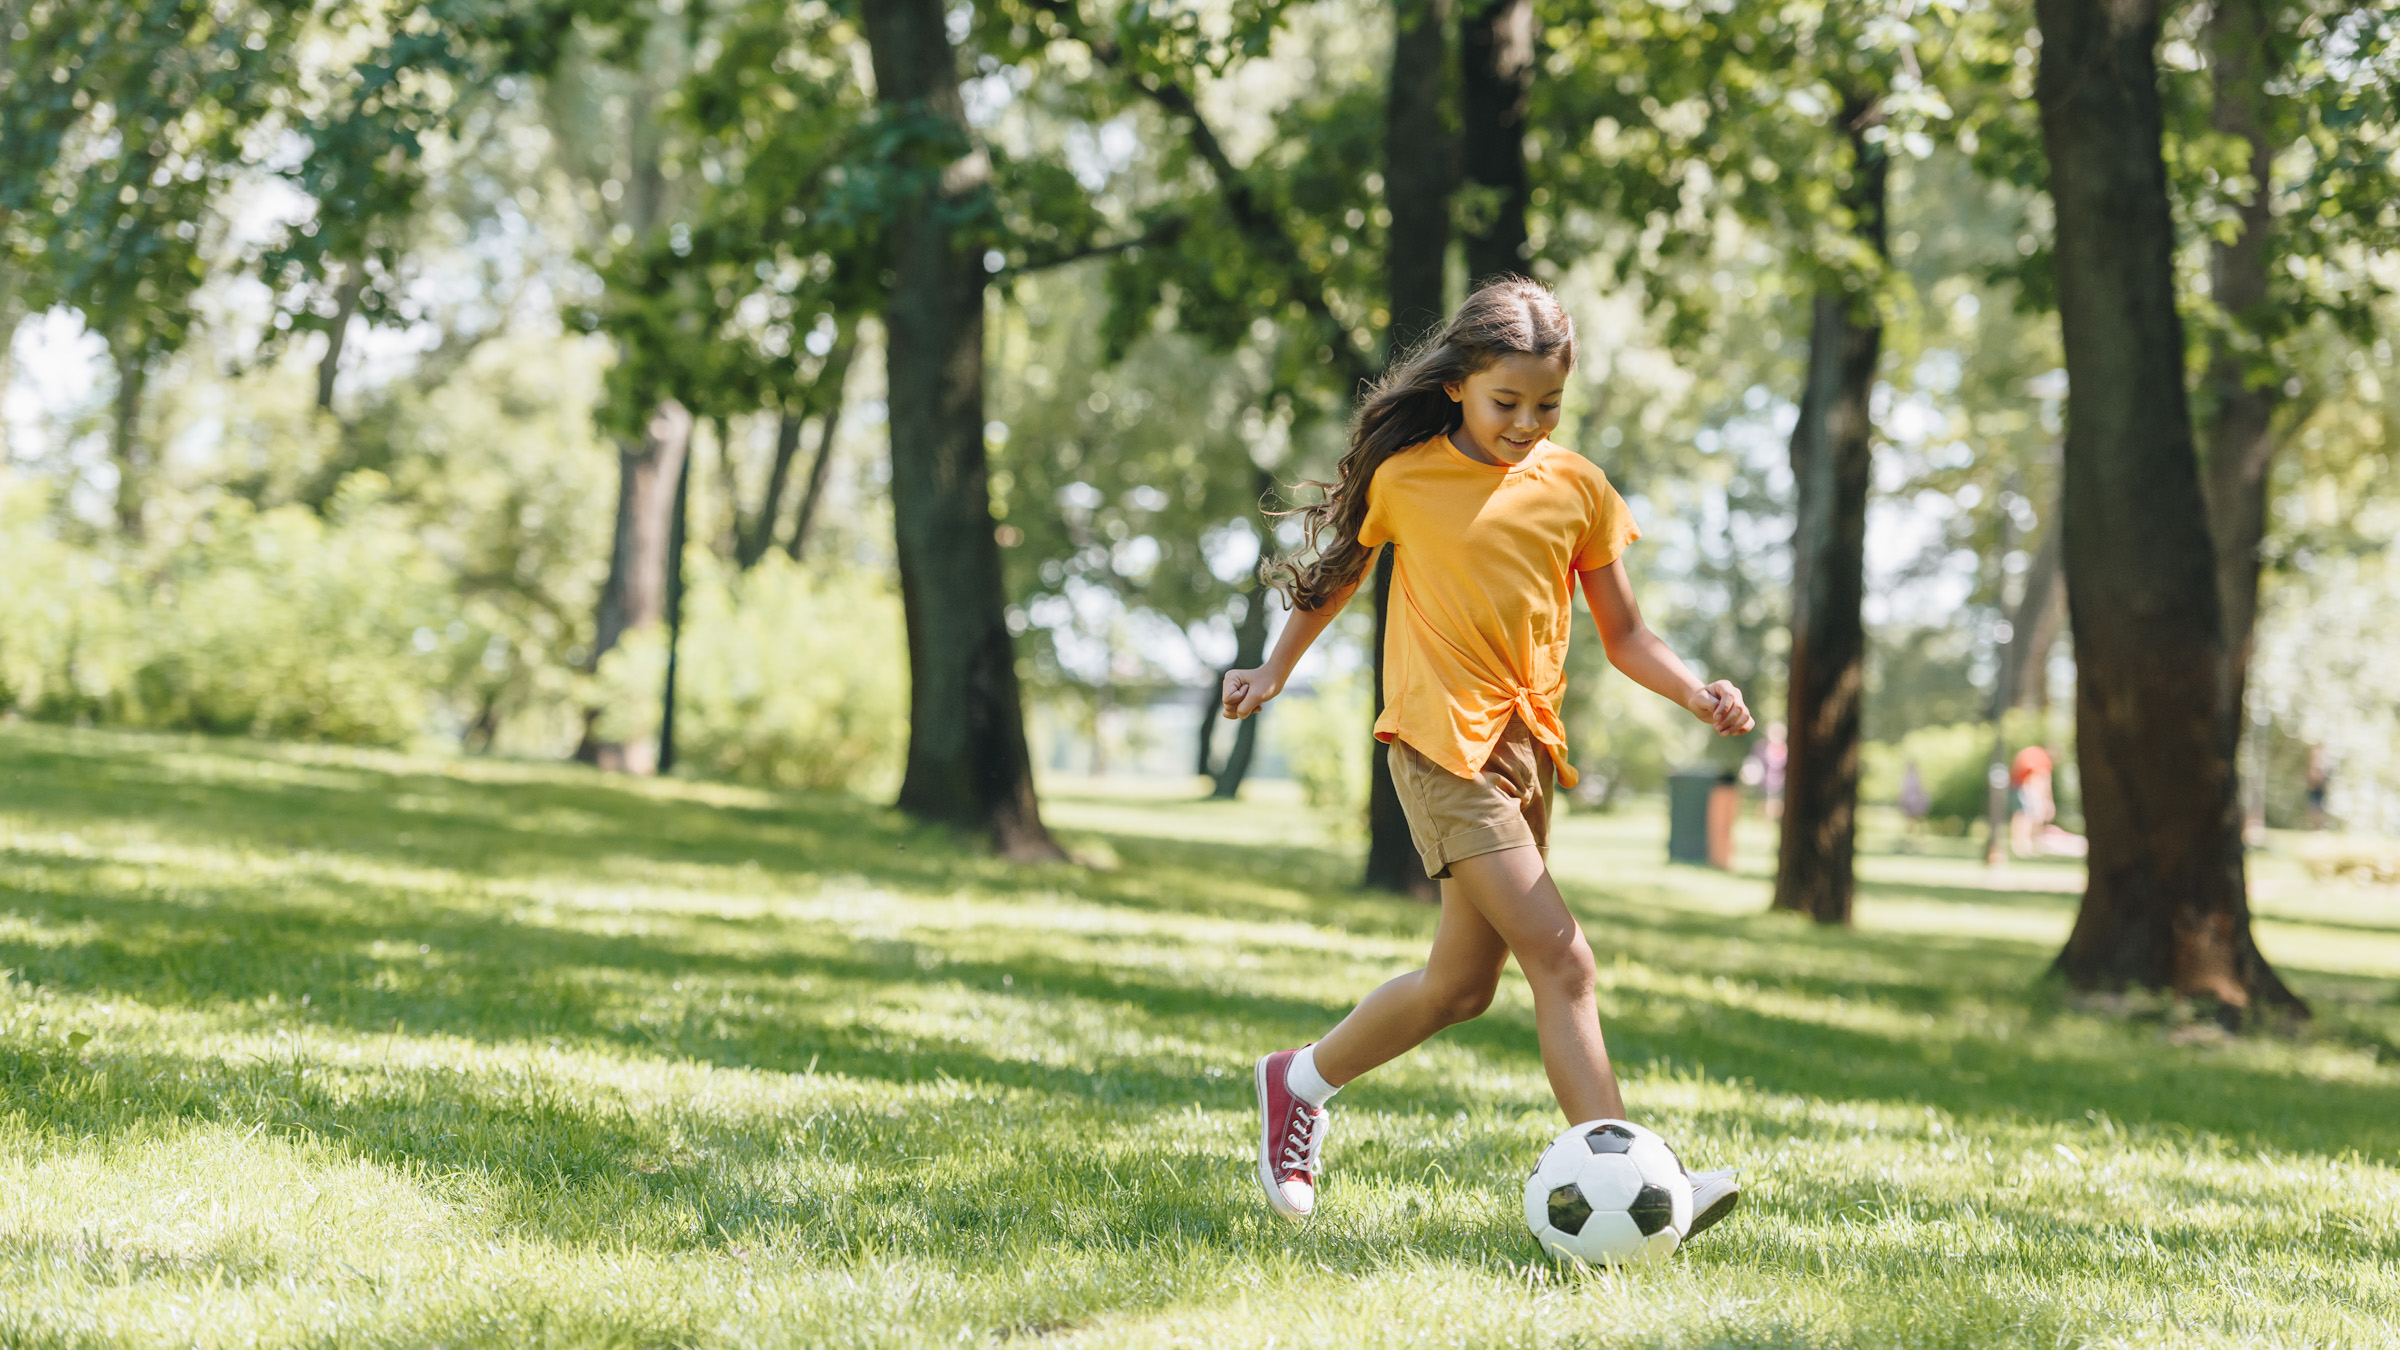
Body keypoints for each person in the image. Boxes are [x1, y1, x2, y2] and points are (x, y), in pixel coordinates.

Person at [1220, 279, 1753, 1238]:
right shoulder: (1408, 477)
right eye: (1507, 401)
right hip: (1437, 745)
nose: (1526, 422)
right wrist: (1273, 670)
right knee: (1564, 958)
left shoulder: (1579, 487)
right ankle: (1638, 1183)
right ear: (1461, 383)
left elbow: (1627, 635)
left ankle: (1294, 1083)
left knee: (1461, 987)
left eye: (1547, 404)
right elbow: (1338, 574)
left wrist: (1695, 690)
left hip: (1522, 754)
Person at [2009, 743, 2054, 857]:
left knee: (2022, 814)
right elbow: (2041, 779)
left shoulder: (2032, 753)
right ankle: (2026, 843)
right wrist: (2046, 801)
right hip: (2027, 787)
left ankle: (2023, 843)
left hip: (2017, 785)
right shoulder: (2042, 758)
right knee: (2027, 815)